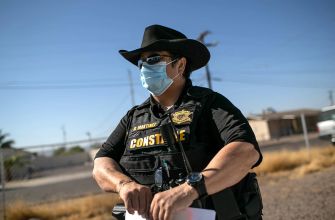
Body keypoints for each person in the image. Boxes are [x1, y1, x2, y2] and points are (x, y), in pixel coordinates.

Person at [93, 24, 263, 220]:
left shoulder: (210, 104)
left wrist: (188, 190)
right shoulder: (133, 117)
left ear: (180, 65)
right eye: (142, 63)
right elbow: (101, 163)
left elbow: (245, 151)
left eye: (154, 59)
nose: (145, 67)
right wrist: (123, 184)